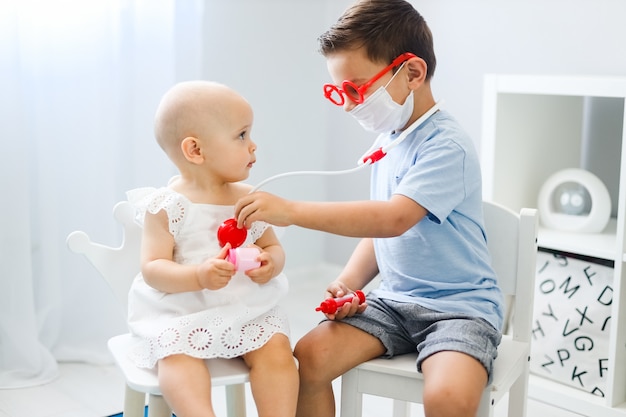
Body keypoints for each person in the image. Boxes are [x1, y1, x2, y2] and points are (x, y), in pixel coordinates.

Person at [233, 1, 503, 416]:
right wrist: (347, 284)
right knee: (308, 359)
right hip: (392, 302)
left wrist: (289, 211)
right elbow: (378, 232)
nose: (347, 104)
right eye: (341, 92)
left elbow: (393, 220)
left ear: (412, 73)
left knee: (448, 397)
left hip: (458, 310)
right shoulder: (390, 140)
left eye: (356, 88)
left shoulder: (446, 146)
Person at [126, 80, 298, 417]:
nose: (253, 146)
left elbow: (273, 248)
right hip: (183, 309)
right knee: (176, 355)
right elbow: (153, 268)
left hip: (244, 306)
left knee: (276, 349)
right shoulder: (167, 205)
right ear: (196, 151)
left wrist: (270, 263)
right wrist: (198, 275)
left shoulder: (249, 199)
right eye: (241, 135)